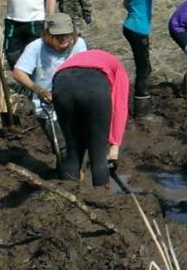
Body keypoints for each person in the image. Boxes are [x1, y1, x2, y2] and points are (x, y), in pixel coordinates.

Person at [121, 0, 187, 116]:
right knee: (143, 69)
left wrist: (136, 12)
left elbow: (125, 2)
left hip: (130, 26)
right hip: (137, 29)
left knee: (145, 67)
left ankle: (140, 101)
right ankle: (141, 110)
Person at [10, 12, 88, 162]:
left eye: (67, 35)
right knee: (62, 145)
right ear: (47, 34)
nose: (63, 39)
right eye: (58, 36)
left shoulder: (79, 44)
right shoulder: (36, 48)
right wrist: (38, 90)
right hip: (47, 104)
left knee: (79, 142)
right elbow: (18, 72)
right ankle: (67, 177)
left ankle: (79, 174)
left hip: (74, 101)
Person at [49, 49, 130, 188]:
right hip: (94, 89)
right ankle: (100, 201)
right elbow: (120, 107)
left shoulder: (75, 60)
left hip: (62, 84)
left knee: (73, 149)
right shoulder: (118, 67)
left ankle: (68, 198)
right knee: (98, 151)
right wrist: (114, 145)